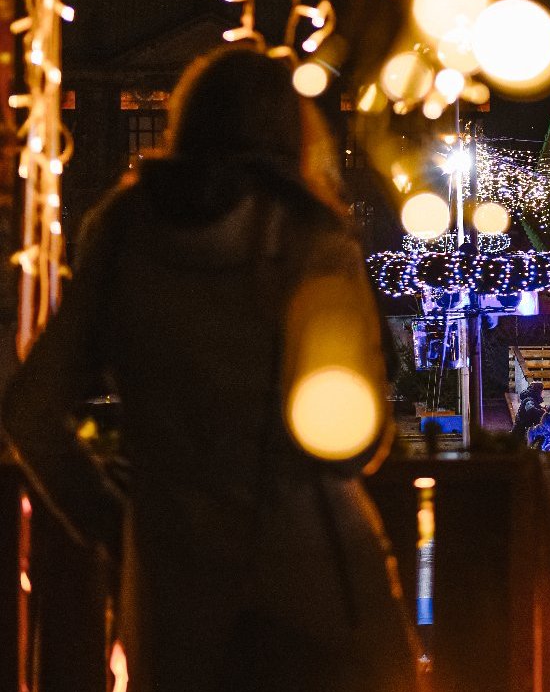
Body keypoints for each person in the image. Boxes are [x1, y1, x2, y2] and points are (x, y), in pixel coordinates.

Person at [0, 46, 418, 690]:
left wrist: (112, 518)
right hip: (314, 566)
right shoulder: (310, 237)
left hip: (174, 582)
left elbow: (31, 406)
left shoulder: (123, 228)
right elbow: (362, 440)